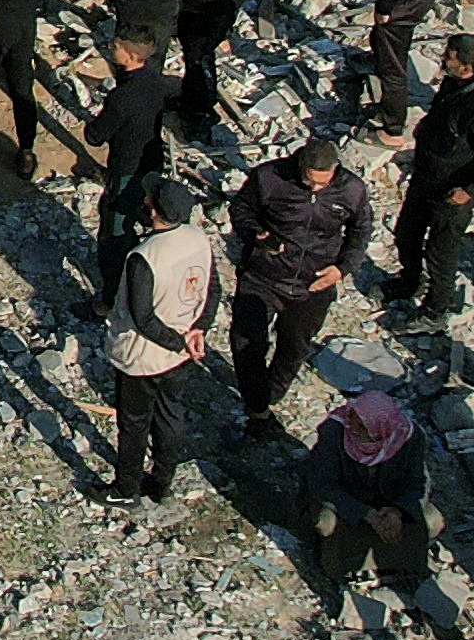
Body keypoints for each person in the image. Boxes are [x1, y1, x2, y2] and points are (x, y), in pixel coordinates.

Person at [228, 136, 365, 440]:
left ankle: (270, 395)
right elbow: (241, 211)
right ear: (300, 166)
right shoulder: (269, 177)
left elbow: (361, 230)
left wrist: (342, 269)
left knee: (293, 348)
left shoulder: (352, 189)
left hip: (313, 285)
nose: (316, 188)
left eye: (323, 183)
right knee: (245, 342)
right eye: (310, 182)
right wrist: (258, 236)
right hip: (264, 276)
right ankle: (257, 408)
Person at [107, 181, 223, 504]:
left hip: (143, 357)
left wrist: (178, 342)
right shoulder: (198, 238)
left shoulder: (143, 256)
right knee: (170, 415)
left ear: (153, 210)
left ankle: (126, 489)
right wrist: (198, 330)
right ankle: (161, 483)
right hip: (181, 353)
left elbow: (142, 317)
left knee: (133, 425)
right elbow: (213, 290)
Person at [392, 38, 474, 325]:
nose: (443, 59)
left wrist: (471, 190)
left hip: (452, 193)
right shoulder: (453, 83)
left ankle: (435, 311)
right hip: (426, 177)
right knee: (406, 234)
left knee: (440, 254)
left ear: (467, 68)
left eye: (450, 57)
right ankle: (409, 282)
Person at [301, 391, 433, 604]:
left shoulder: (407, 437)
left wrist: (397, 511)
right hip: (346, 501)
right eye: (352, 417)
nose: (352, 425)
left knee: (430, 520)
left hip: (388, 502)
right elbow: (322, 484)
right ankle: (339, 568)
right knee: (325, 523)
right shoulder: (334, 432)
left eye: (361, 425)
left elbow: (417, 481)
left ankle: (401, 566)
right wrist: (365, 513)